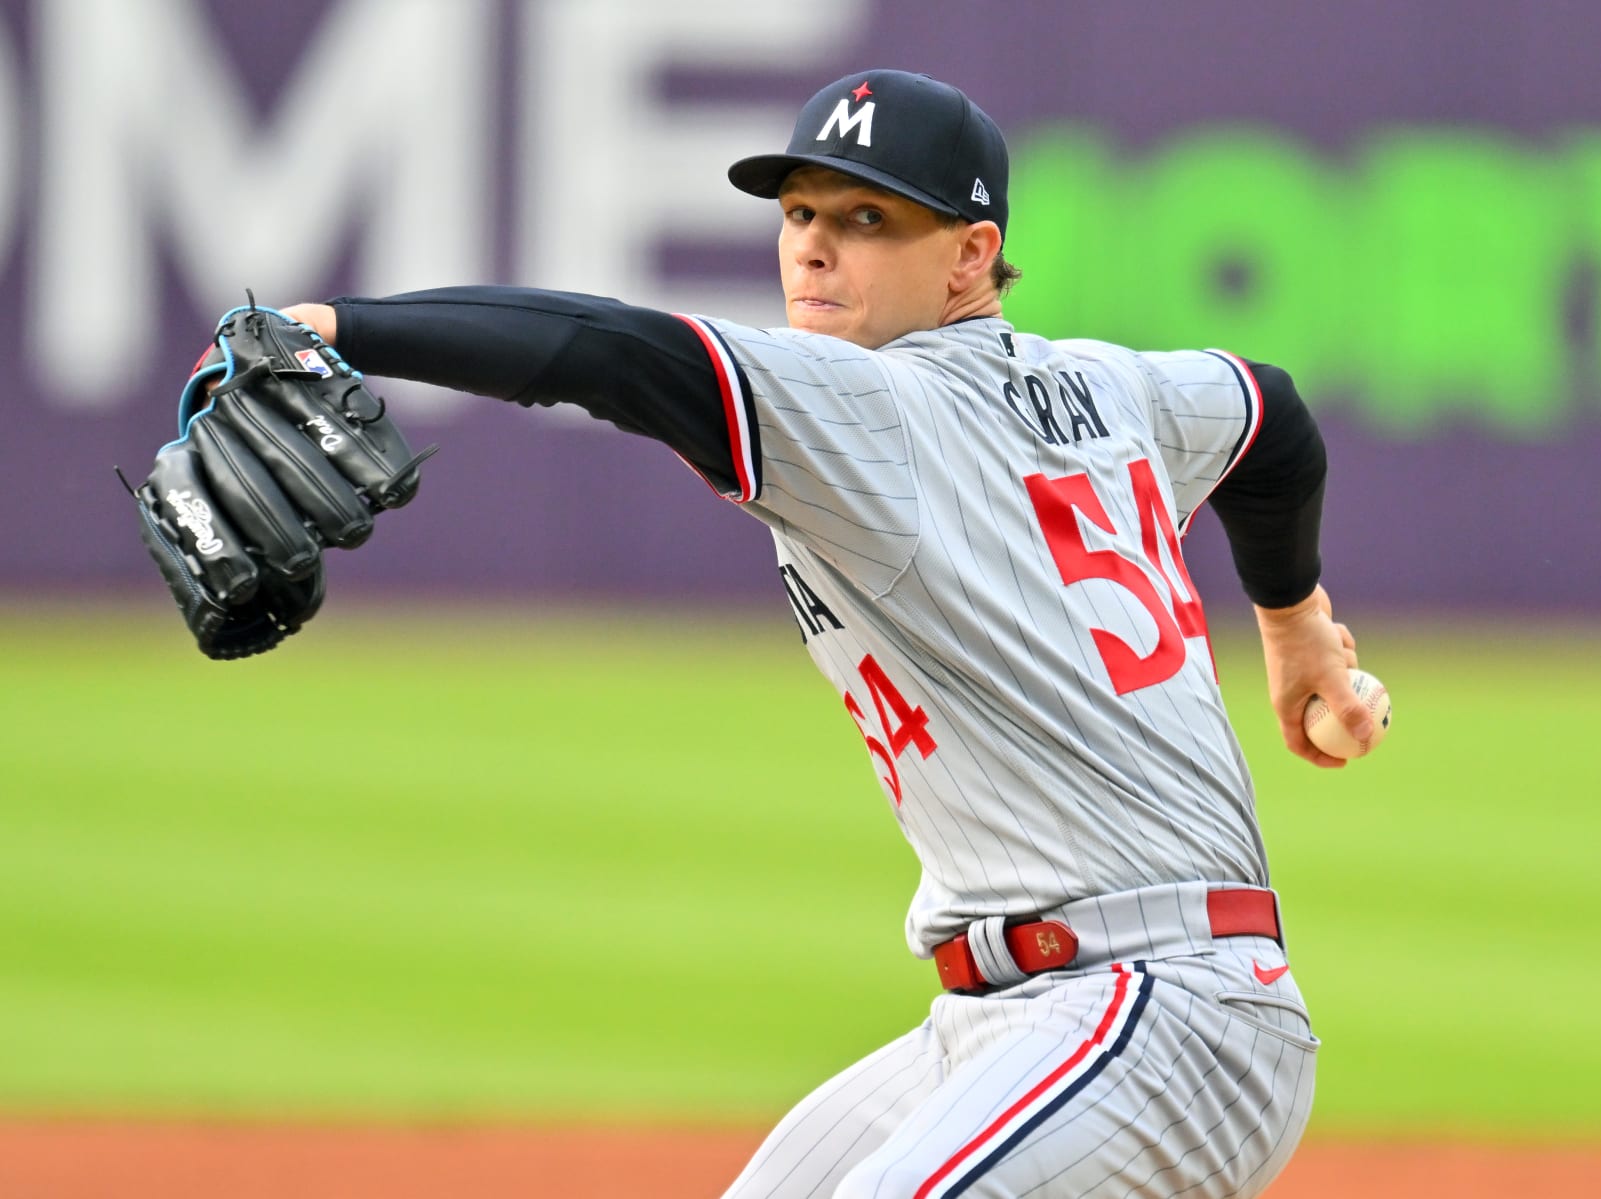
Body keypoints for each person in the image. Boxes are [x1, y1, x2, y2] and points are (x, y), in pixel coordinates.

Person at [277, 68, 1368, 1199]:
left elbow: (615, 352)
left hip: (1161, 1012)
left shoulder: (870, 403)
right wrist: (1294, 623)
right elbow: (1270, 416)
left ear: (968, 255)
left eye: (865, 218)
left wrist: (340, 325)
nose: (812, 247)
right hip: (1024, 1017)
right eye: (799, 211)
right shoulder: (1108, 386)